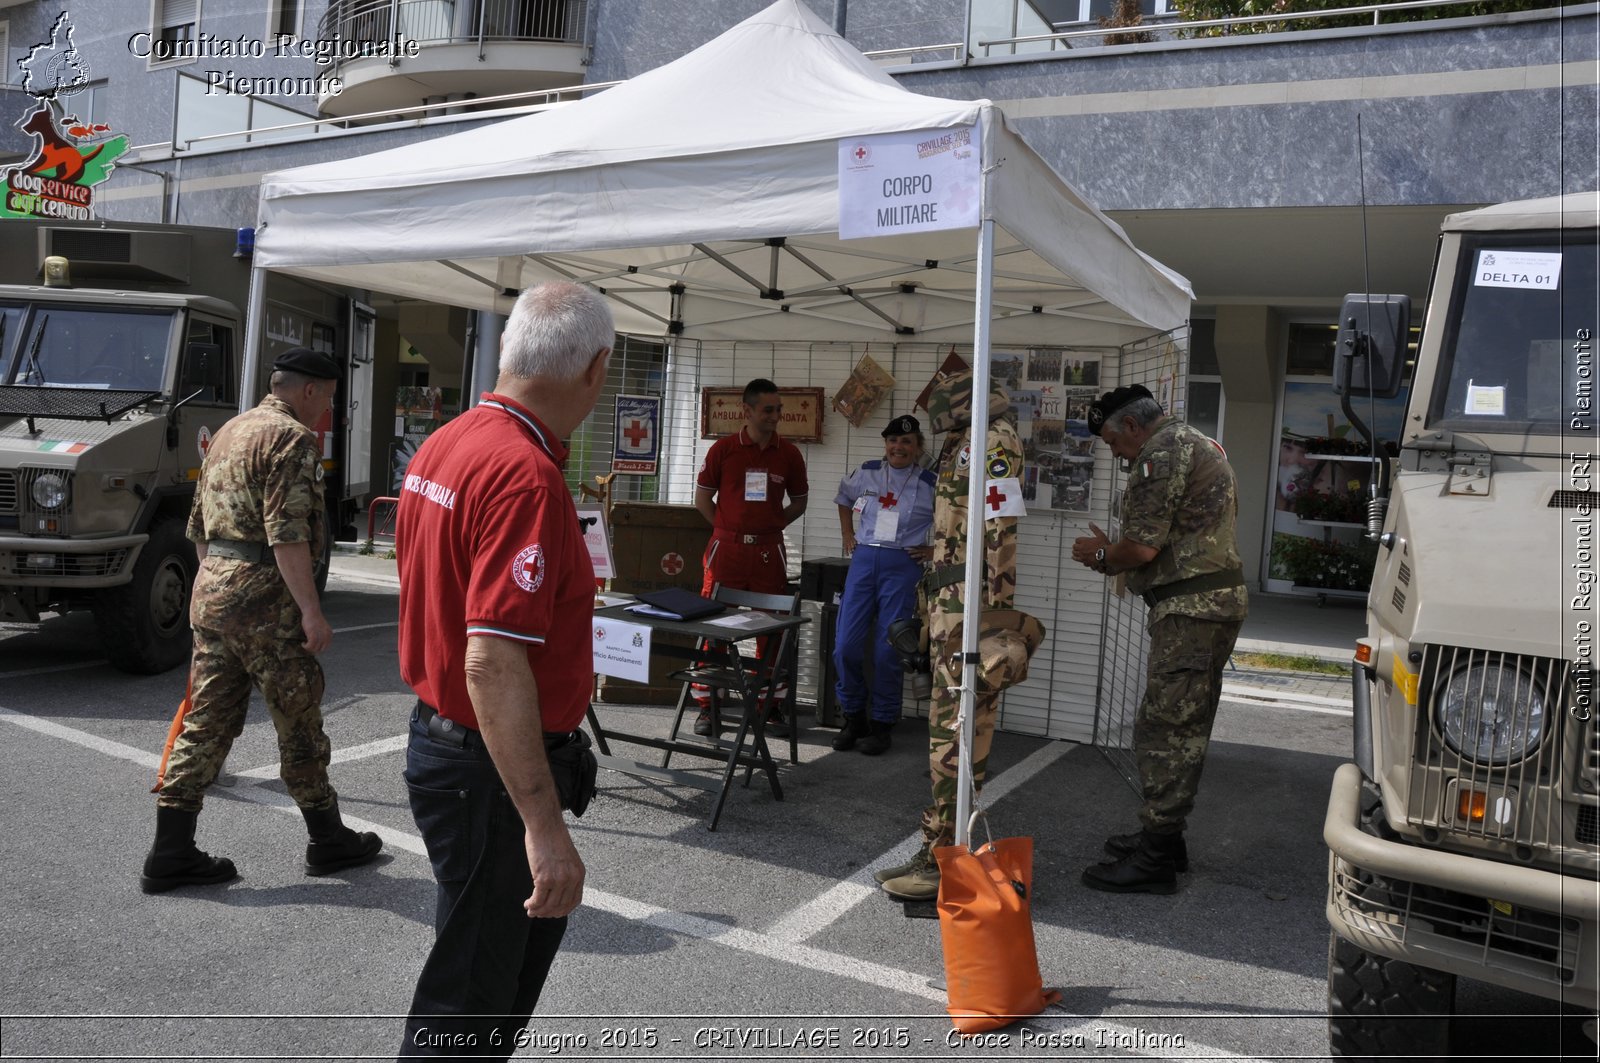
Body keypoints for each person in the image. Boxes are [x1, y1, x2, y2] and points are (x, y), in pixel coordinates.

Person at [394, 282, 612, 1058]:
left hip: (451, 748)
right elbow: (491, 659)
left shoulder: (447, 441)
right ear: (595, 369)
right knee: (470, 1007)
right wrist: (545, 828)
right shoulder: (523, 473)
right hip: (483, 769)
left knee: (481, 990)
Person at [140, 347, 382, 894]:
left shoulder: (229, 430)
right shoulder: (293, 439)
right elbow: (287, 534)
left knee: (206, 720)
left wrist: (215, 589)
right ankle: (328, 839)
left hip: (215, 593)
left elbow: (198, 525)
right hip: (266, 603)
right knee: (297, 719)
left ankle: (171, 849)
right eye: (330, 398)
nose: (329, 411)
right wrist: (311, 612)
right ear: (311, 390)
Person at [1070, 383, 1248, 894]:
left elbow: (1143, 550)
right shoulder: (1194, 442)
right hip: (1203, 604)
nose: (1115, 452)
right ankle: (1165, 839)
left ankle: (1155, 858)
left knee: (1167, 729)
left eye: (1111, 441)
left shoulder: (1161, 453)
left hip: (1194, 608)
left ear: (1131, 425)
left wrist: (1103, 557)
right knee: (1176, 722)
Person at [879, 370, 1024, 902]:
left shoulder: (995, 443)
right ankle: (937, 849)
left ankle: (947, 863)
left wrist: (993, 621)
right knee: (945, 736)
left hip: (971, 614)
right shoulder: (963, 442)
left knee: (958, 737)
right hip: (948, 609)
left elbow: (1000, 532)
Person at [691, 377, 809, 735]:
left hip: (768, 552)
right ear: (747, 410)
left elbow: (800, 502)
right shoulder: (723, 450)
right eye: (768, 410)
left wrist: (770, 527)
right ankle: (707, 706)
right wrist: (729, 530)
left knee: (770, 629)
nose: (775, 416)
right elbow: (702, 501)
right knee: (714, 625)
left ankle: (769, 705)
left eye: (778, 410)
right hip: (725, 551)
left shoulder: (789, 454)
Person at [832, 414, 936, 755]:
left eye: (906, 442)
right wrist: (848, 533)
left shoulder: (930, 483)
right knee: (845, 645)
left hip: (902, 566)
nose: (898, 447)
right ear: (885, 445)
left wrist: (933, 549)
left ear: (918, 447)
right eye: (893, 441)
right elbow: (844, 498)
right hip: (864, 562)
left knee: (887, 649)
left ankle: (882, 723)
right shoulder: (868, 471)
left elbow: (956, 523)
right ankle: (853, 716)